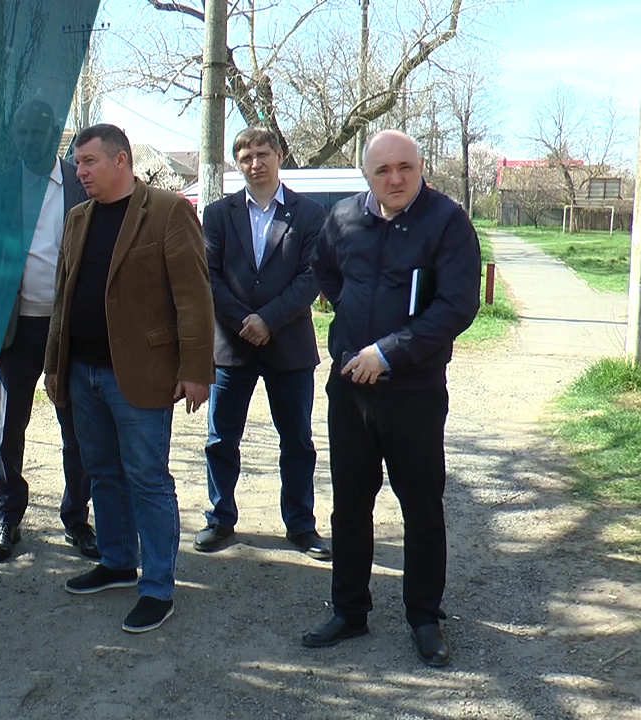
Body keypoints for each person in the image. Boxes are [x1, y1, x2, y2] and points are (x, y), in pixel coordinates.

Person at [303, 129, 481, 667]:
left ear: (421, 166)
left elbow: (456, 306)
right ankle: (349, 610)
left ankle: (424, 617)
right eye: (382, 170)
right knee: (350, 504)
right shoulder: (342, 218)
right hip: (349, 390)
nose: (395, 178)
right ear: (366, 175)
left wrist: (386, 351)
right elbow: (324, 269)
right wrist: (353, 322)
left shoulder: (447, 221)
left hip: (413, 391)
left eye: (405, 167)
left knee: (421, 506)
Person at [44, 124, 214, 633]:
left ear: (121, 160)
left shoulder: (167, 211)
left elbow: (193, 297)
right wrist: (54, 365)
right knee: (101, 470)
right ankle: (117, 562)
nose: (80, 172)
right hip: (83, 372)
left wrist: (195, 371)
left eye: (89, 162)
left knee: (148, 479)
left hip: (140, 374)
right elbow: (63, 297)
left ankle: (158, 587)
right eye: (77, 163)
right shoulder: (78, 218)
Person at [194, 127, 331, 560]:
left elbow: (312, 277)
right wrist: (244, 321)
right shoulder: (218, 214)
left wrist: (268, 320)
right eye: (246, 157)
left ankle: (301, 525)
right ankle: (220, 518)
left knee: (297, 441)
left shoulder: (309, 213)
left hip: (288, 345)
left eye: (262, 154)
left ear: (280, 155)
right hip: (231, 346)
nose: (255, 163)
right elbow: (207, 275)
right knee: (221, 439)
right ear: (237, 164)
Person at [0, 101, 95, 562]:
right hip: (16, 329)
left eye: (36, 132)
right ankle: (8, 517)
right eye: (20, 132)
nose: (28, 140)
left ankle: (76, 519)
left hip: (69, 330)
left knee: (77, 429)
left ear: (54, 132)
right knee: (10, 429)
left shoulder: (81, 185)